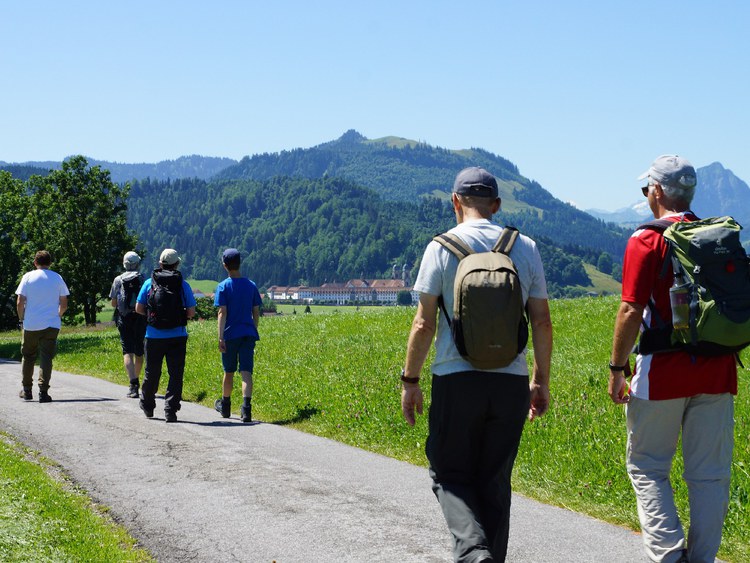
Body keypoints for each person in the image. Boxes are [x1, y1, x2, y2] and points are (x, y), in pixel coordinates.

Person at [401, 166, 553, 563]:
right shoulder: (526, 248)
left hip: (456, 379)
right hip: (511, 383)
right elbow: (541, 320)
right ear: (496, 205)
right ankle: (487, 557)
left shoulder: (441, 247)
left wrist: (410, 379)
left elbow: (423, 322)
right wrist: (540, 381)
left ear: (455, 202)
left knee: (449, 475)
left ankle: (471, 552)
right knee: (495, 481)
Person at [608, 155, 737, 563]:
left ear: (658, 191)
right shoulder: (715, 236)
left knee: (647, 466)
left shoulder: (646, 239)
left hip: (662, 373)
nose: (647, 195)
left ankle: (668, 556)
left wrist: (616, 368)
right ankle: (701, 559)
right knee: (710, 476)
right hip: (718, 371)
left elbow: (630, 310)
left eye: (647, 189)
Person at [135, 248, 196, 423]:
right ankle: (170, 410)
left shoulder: (149, 283)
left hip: (153, 335)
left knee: (152, 372)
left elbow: (139, 308)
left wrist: (153, 317)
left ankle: (147, 405)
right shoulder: (183, 284)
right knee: (175, 374)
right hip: (177, 335)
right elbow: (191, 312)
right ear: (177, 264)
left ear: (160, 263)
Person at [213, 248, 262, 423]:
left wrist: (220, 337)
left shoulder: (223, 286)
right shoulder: (251, 285)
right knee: (246, 371)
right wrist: (253, 328)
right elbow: (256, 311)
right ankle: (246, 409)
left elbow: (222, 312)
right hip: (248, 333)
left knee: (229, 371)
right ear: (240, 263)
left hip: (230, 334)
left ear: (225, 265)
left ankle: (225, 407)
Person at [15, 250, 69, 403]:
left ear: (35, 262)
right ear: (50, 263)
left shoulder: (28, 277)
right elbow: (64, 304)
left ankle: (26, 390)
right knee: (46, 357)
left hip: (31, 324)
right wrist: (57, 315)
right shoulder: (57, 277)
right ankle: (43, 392)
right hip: (51, 324)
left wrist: (22, 318)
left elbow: (20, 301)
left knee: (28, 356)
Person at [109, 251, 147, 398]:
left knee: (127, 351)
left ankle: (133, 383)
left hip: (124, 318)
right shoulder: (143, 279)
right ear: (138, 263)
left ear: (124, 264)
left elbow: (113, 302)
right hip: (140, 317)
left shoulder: (118, 280)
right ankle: (137, 380)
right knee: (139, 351)